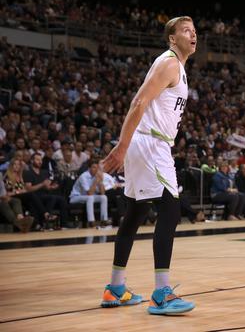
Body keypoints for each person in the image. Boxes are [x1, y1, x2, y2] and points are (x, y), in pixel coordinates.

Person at [100, 16, 197, 315]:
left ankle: (115, 287)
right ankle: (161, 293)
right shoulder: (168, 63)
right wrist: (123, 144)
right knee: (170, 210)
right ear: (171, 38)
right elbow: (138, 102)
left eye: (194, 31)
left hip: (147, 143)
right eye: (185, 30)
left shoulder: (176, 66)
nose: (193, 34)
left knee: (136, 212)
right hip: (151, 144)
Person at [69, 159, 111, 227]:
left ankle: (104, 220)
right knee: (90, 198)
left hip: (88, 197)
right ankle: (91, 221)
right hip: (75, 197)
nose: (96, 169)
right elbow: (89, 193)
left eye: (97, 168)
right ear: (89, 168)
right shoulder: (83, 176)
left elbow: (102, 193)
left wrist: (100, 181)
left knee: (104, 197)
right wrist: (96, 181)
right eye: (94, 167)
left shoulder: (96, 176)